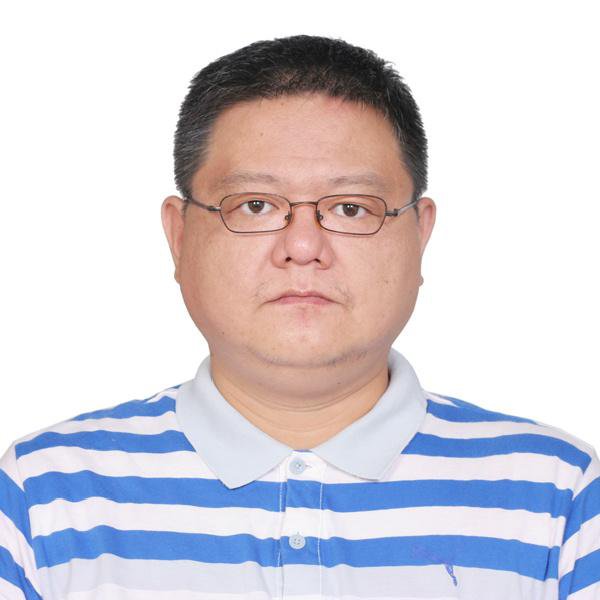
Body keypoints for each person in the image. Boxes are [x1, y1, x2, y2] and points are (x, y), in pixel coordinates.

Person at [1, 34, 598, 600]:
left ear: (420, 235)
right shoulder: (43, 497)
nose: (304, 246)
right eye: (256, 205)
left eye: (351, 207)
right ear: (179, 237)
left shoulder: (559, 496)